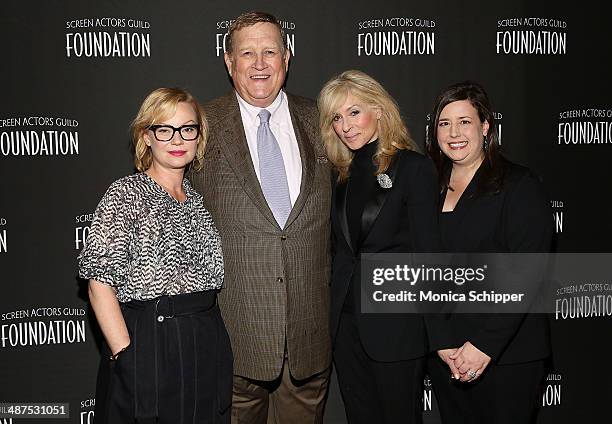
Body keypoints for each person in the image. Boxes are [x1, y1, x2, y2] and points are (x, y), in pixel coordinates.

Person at [189, 11, 332, 423]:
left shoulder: (323, 120)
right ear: (228, 61)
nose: (259, 63)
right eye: (247, 53)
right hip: (235, 342)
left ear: (287, 57)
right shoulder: (200, 125)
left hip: (309, 343)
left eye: (270, 51)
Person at [78, 88, 232, 424]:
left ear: (198, 136)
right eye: (164, 129)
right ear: (146, 137)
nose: (177, 139)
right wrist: (127, 356)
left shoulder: (196, 199)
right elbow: (99, 286)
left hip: (205, 340)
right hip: (151, 340)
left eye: (187, 129)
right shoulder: (126, 194)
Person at [317, 69, 441, 424]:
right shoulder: (340, 174)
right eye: (337, 118)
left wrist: (439, 333)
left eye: (354, 112)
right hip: (346, 326)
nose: (345, 126)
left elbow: (429, 254)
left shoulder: (413, 168)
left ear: (380, 110)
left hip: (395, 325)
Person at [425, 81, 552, 423]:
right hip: (448, 354)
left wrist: (483, 347)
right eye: (444, 123)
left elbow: (528, 274)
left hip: (507, 354)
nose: (454, 133)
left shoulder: (518, 185)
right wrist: (442, 341)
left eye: (465, 122)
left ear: (485, 127)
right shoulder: (427, 188)